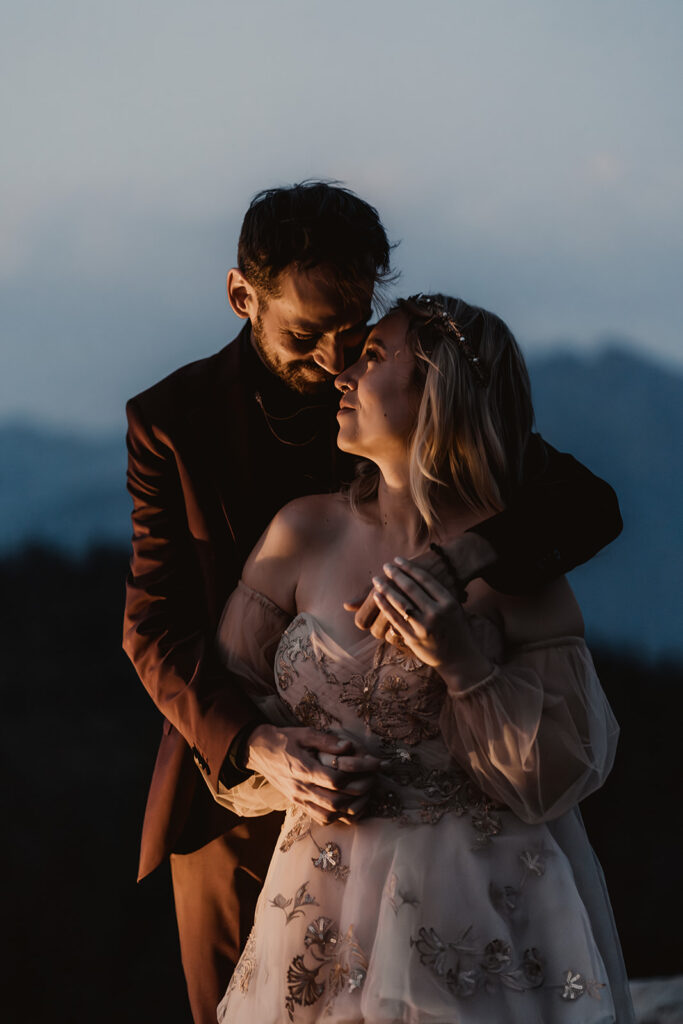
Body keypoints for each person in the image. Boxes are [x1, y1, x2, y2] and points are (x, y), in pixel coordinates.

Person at [123, 182, 623, 1024]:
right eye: (305, 333)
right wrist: (258, 745)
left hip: (457, 837)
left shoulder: (409, 386)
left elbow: (585, 503)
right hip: (237, 777)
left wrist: (459, 556)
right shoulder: (174, 421)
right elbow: (156, 628)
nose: (332, 362)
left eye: (352, 330)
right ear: (242, 296)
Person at [213, 294, 634, 1023]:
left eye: (373, 358)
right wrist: (275, 750)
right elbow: (224, 688)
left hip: (476, 908)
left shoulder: (516, 564)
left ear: (437, 390)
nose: (343, 374)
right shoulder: (301, 530)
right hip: (317, 899)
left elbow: (556, 773)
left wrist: (461, 660)